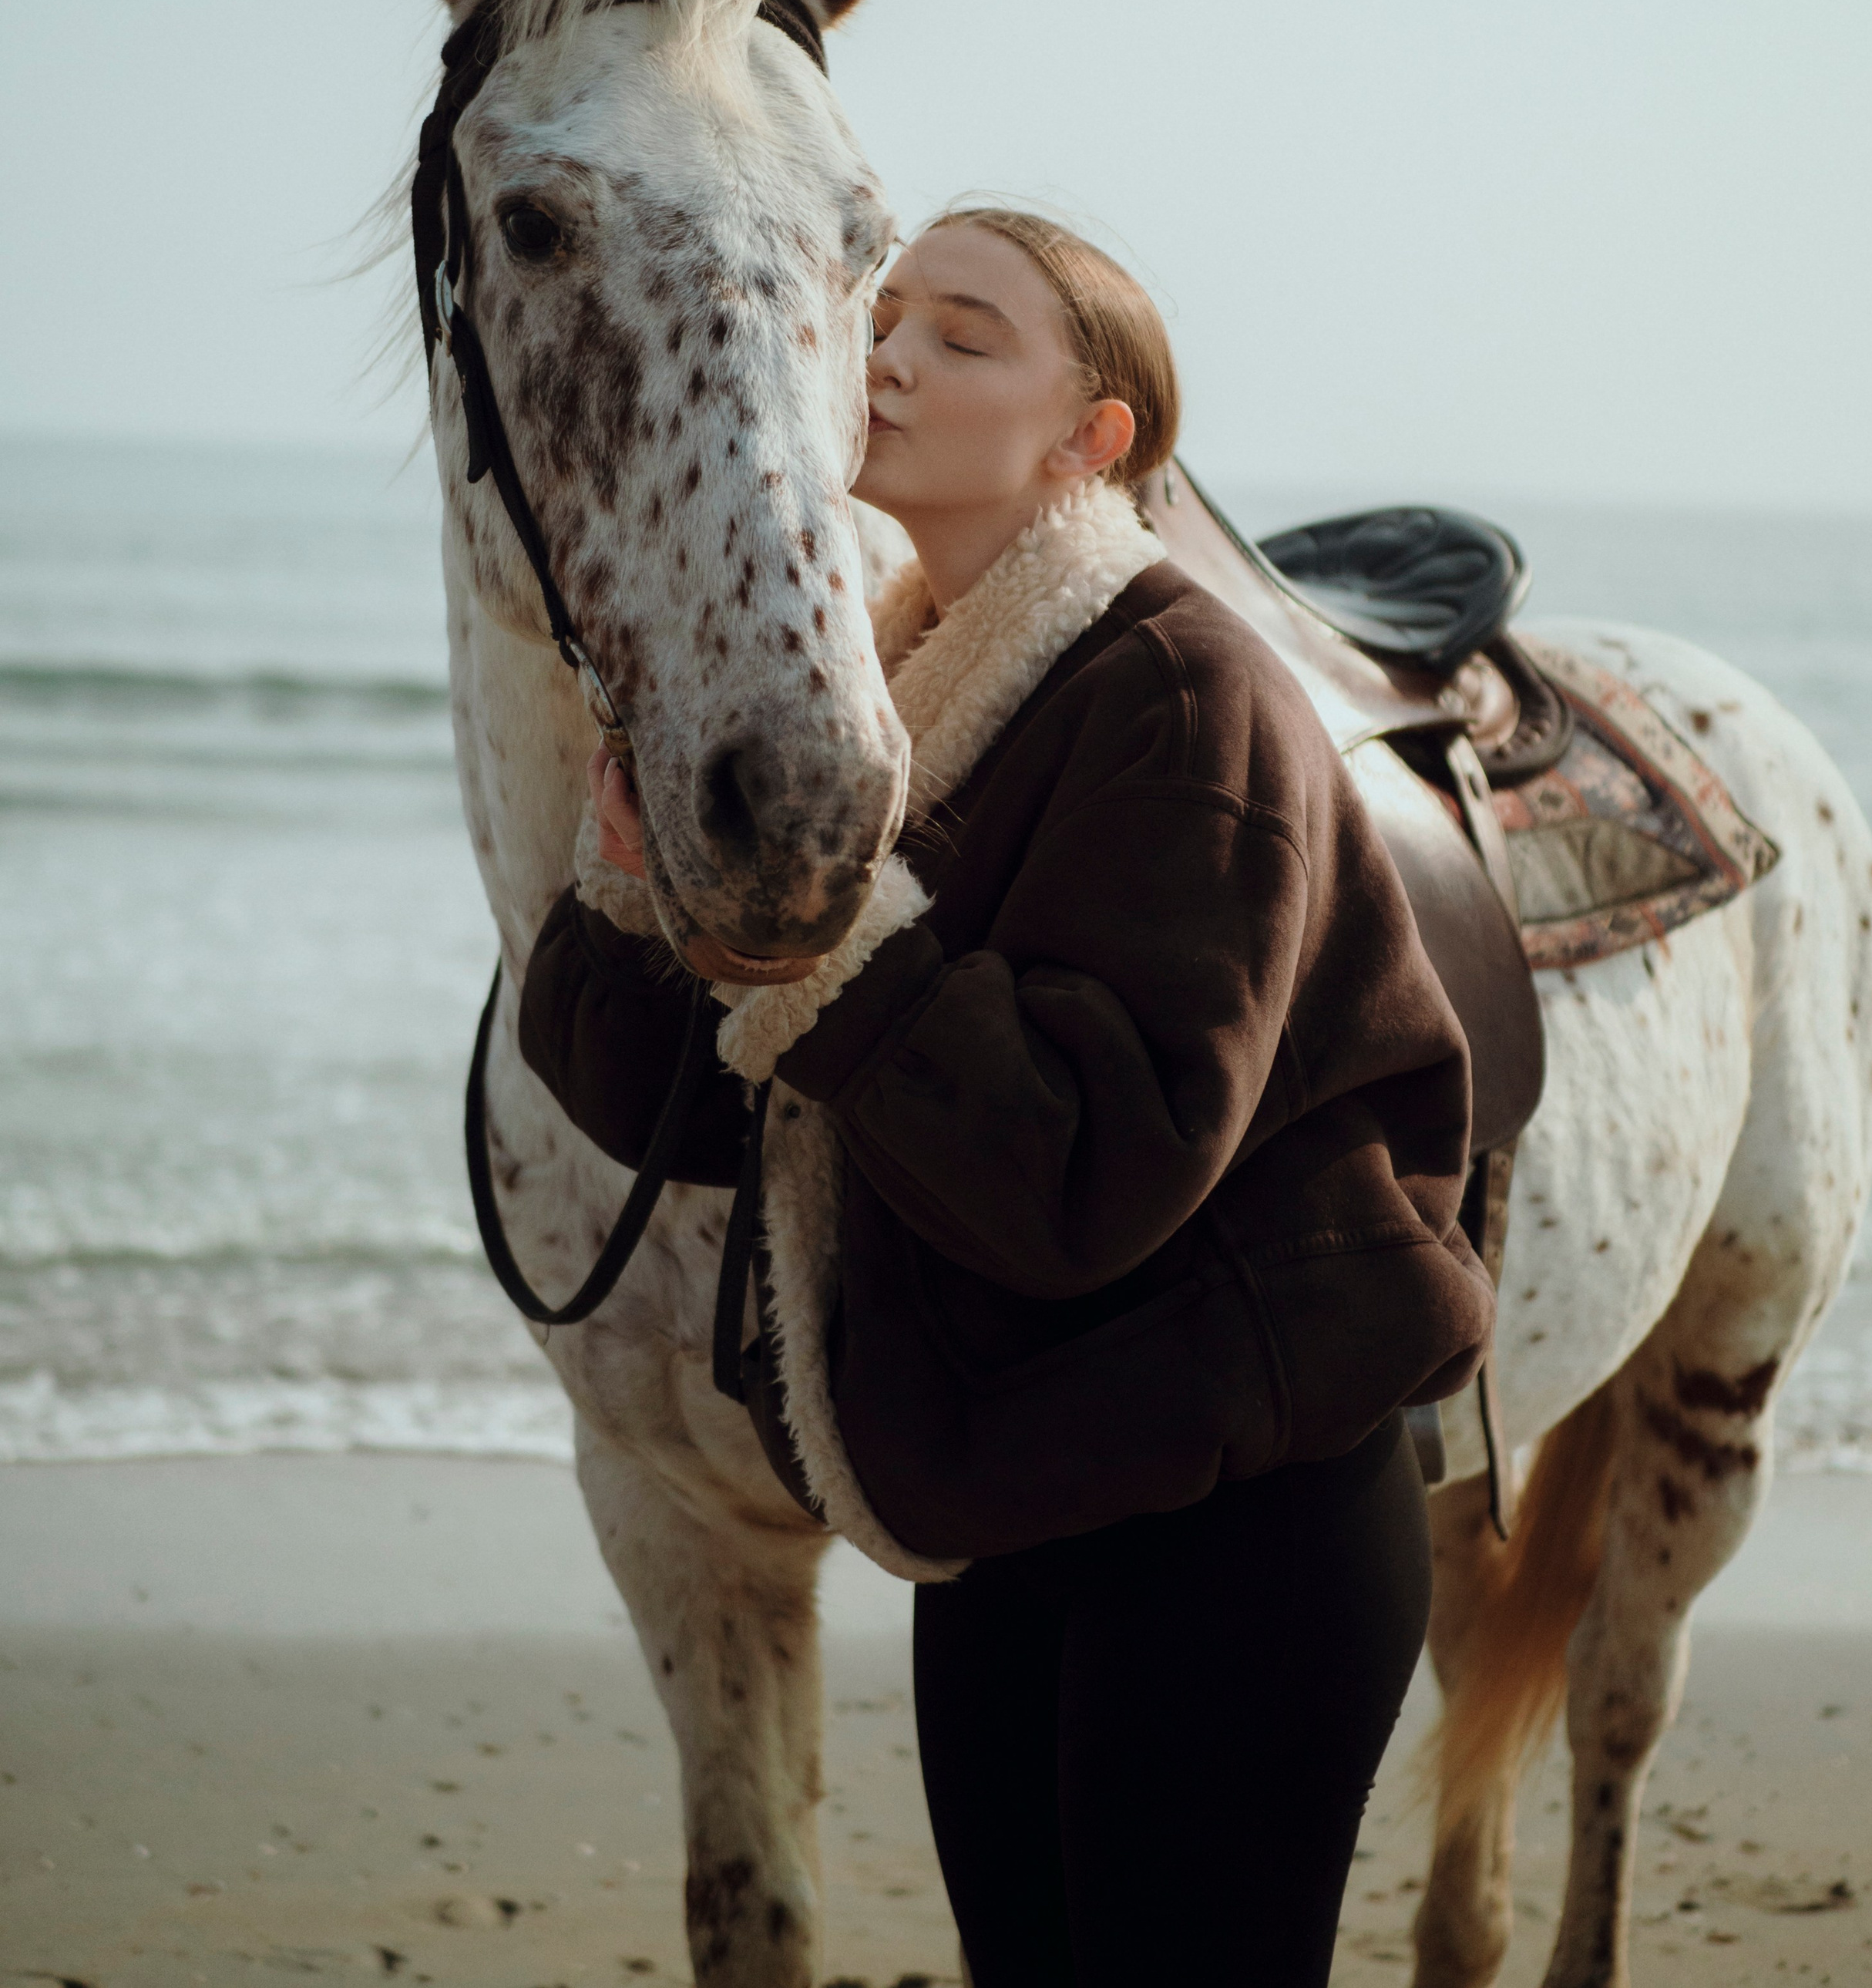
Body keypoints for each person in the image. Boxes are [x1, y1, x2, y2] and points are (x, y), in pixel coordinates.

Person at [519, 205, 1492, 1988]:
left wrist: (820, 937)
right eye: (879, 318)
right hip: (1020, 1503)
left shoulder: (1183, 692)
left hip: (1239, 1532)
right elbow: (666, 1114)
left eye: (963, 337)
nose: (880, 357)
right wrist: (627, 890)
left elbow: (1082, 1180)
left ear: (1089, 435)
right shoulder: (886, 691)